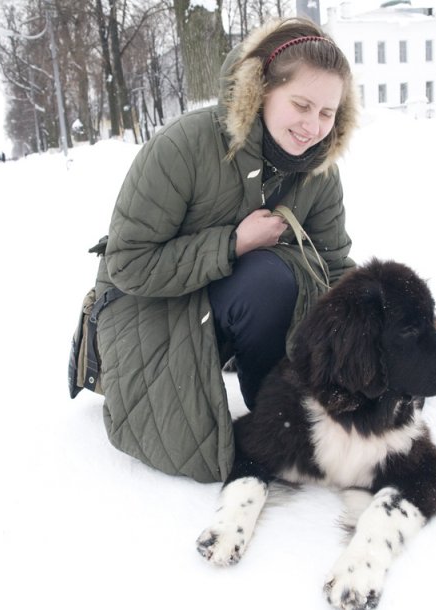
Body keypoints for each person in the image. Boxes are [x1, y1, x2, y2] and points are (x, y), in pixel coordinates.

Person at [92, 17, 358, 482]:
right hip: (152, 306)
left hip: (231, 310)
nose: (313, 126)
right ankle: (273, 411)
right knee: (266, 278)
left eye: (326, 113)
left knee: (288, 277)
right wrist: (233, 243)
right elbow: (128, 265)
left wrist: (377, 340)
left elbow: (332, 267)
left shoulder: (320, 172)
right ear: (261, 90)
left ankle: (277, 400)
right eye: (300, 104)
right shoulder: (184, 145)